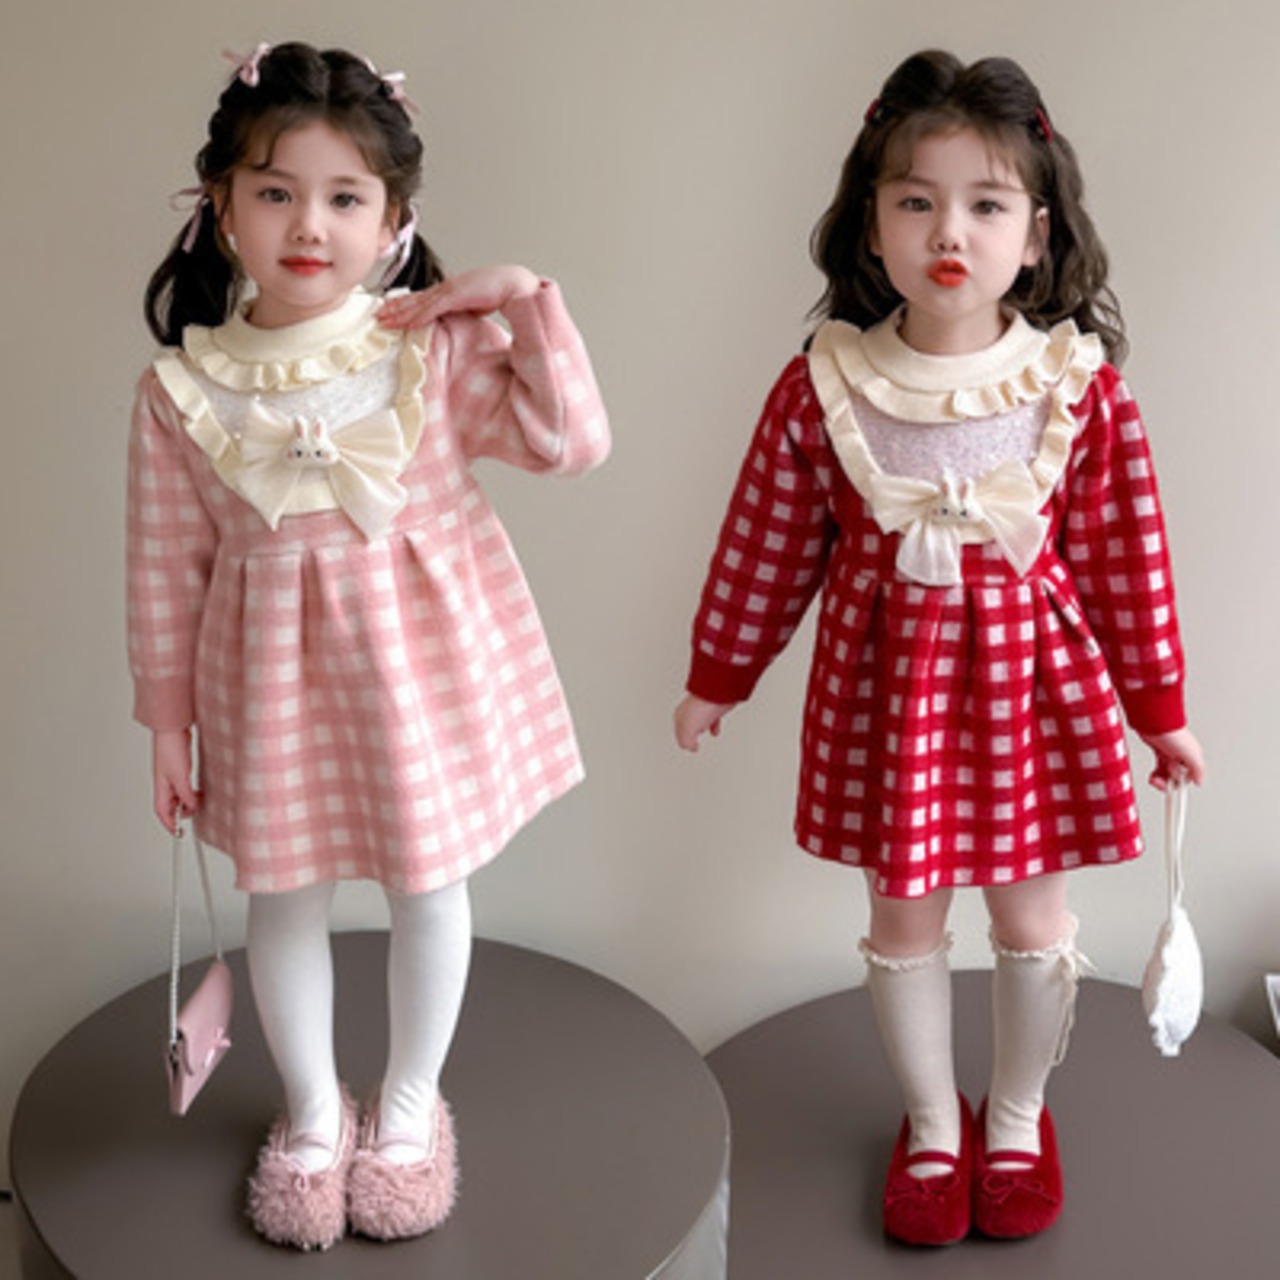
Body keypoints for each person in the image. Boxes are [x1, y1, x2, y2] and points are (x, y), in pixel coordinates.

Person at [674, 49, 1202, 1246]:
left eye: (985, 203)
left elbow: (1127, 561)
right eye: (915, 200)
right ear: (871, 223)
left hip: (1035, 699)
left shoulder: (1076, 388)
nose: (947, 231)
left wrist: (1158, 708)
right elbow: (765, 545)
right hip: (889, 702)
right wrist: (718, 676)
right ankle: (927, 1120)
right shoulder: (825, 384)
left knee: (1030, 919)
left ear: (1036, 232)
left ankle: (1012, 1115)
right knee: (903, 917)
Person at [129, 41, 609, 1251]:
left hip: (422, 678)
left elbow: (570, 444)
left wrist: (520, 300)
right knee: (282, 897)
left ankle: (406, 1104)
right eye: (275, 190)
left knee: (426, 886)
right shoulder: (182, 388)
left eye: (345, 197)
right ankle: (309, 1112)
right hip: (268, 689)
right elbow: (163, 569)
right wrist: (167, 724)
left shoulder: (427, 349)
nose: (309, 223)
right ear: (221, 207)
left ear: (394, 220)